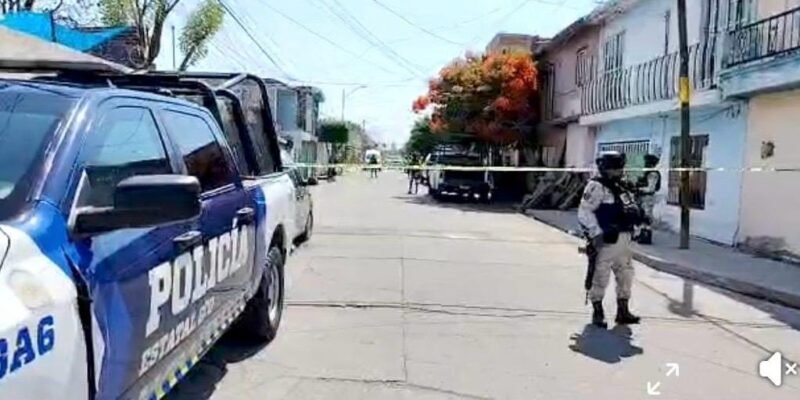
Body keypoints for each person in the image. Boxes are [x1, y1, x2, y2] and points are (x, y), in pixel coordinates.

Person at [578, 151, 644, 328]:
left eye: (620, 168)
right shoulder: (596, 186)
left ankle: (623, 311)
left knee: (626, 275)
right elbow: (585, 212)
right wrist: (596, 233)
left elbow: (630, 208)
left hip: (625, 239)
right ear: (605, 168)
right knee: (600, 276)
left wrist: (638, 221)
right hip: (606, 240)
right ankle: (597, 311)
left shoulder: (621, 186)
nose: (619, 171)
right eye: (616, 168)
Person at [634, 154, 661, 245]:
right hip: (643, 197)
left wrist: (639, 189)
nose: (645, 164)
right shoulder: (647, 172)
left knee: (646, 217)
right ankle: (641, 235)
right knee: (641, 216)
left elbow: (651, 188)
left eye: (647, 162)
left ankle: (646, 236)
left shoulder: (653, 174)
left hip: (647, 197)